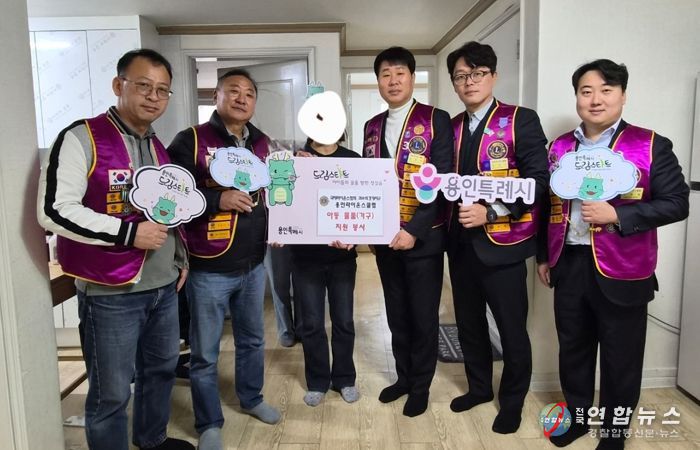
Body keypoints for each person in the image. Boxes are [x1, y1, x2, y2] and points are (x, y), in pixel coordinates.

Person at [37, 49, 192, 450]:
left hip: (163, 288)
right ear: (118, 85)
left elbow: (168, 211)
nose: (153, 97)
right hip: (110, 292)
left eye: (162, 90)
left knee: (160, 371)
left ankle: (152, 440)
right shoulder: (81, 137)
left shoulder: (157, 147)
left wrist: (180, 258)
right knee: (111, 393)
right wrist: (127, 234)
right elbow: (54, 210)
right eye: (143, 85)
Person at [536, 59, 689, 449]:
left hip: (625, 269)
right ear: (576, 98)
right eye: (586, 91)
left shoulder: (650, 144)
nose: (596, 99)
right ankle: (578, 419)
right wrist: (543, 256)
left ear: (623, 95)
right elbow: (546, 207)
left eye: (606, 90)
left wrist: (618, 215)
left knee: (622, 356)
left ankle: (614, 433)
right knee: (573, 348)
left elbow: (677, 203)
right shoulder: (559, 147)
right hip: (569, 262)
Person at [168, 69, 280, 450]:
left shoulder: (263, 143)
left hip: (253, 263)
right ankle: (208, 422)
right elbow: (175, 194)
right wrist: (218, 199)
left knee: (252, 340)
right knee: (204, 352)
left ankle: (251, 398)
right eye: (233, 91)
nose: (242, 98)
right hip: (208, 267)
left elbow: (275, 190)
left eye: (249, 93)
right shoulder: (191, 140)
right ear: (216, 96)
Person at [445, 41, 549, 434]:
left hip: (504, 246)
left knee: (511, 328)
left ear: (493, 76)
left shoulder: (520, 119)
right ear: (454, 83)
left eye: (477, 73)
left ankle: (512, 401)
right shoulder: (451, 127)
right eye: (461, 76)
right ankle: (478, 388)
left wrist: (491, 212)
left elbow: (539, 182)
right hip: (459, 246)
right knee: (468, 324)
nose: (469, 82)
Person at [362, 46, 453, 417]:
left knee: (422, 315)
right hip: (385, 239)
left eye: (400, 73)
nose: (393, 80)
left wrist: (414, 230)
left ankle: (420, 386)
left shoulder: (435, 119)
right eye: (385, 74)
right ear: (378, 81)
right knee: (396, 313)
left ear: (413, 78)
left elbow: (442, 180)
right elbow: (365, 180)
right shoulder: (371, 126)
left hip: (423, 238)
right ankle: (403, 378)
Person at [292, 136, 360, 407]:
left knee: (344, 320)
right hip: (305, 258)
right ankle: (317, 381)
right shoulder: (295, 160)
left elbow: (362, 202)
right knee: (311, 323)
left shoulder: (352, 159)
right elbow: (282, 201)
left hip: (342, 258)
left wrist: (357, 235)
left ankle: (344, 378)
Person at [264, 244, 300, 347]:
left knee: (303, 282)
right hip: (273, 238)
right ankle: (285, 330)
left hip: (304, 236)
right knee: (278, 284)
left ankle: (302, 327)